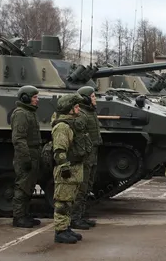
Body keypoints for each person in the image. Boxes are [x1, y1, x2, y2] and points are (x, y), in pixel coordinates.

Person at [51, 93, 92, 244]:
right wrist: (64, 168)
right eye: (75, 106)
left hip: (75, 168)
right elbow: (59, 151)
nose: (78, 109)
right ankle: (60, 231)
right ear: (68, 109)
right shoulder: (62, 126)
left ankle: (66, 227)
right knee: (62, 201)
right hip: (67, 170)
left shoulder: (72, 124)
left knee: (69, 201)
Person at [71, 86, 102, 229]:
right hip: (86, 155)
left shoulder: (90, 113)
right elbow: (77, 137)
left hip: (92, 154)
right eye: (93, 96)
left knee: (88, 185)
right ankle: (75, 218)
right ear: (86, 98)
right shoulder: (82, 115)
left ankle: (81, 215)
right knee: (81, 187)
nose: (95, 99)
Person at [11, 85, 42, 228]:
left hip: (33, 153)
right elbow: (19, 139)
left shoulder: (30, 112)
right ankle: (18, 217)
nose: (37, 100)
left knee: (29, 186)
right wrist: (26, 158)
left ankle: (25, 214)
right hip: (26, 154)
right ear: (25, 98)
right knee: (22, 186)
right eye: (35, 97)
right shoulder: (21, 113)